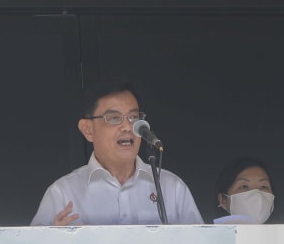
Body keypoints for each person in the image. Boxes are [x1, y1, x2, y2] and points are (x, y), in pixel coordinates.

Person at [31, 80, 203, 226]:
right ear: (88, 130)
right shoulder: (63, 193)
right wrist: (51, 242)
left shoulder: (171, 188)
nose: (128, 127)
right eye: (114, 118)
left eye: (134, 117)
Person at [213, 156, 275, 224]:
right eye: (244, 186)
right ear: (223, 200)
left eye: (264, 187)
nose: (257, 194)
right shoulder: (205, 234)